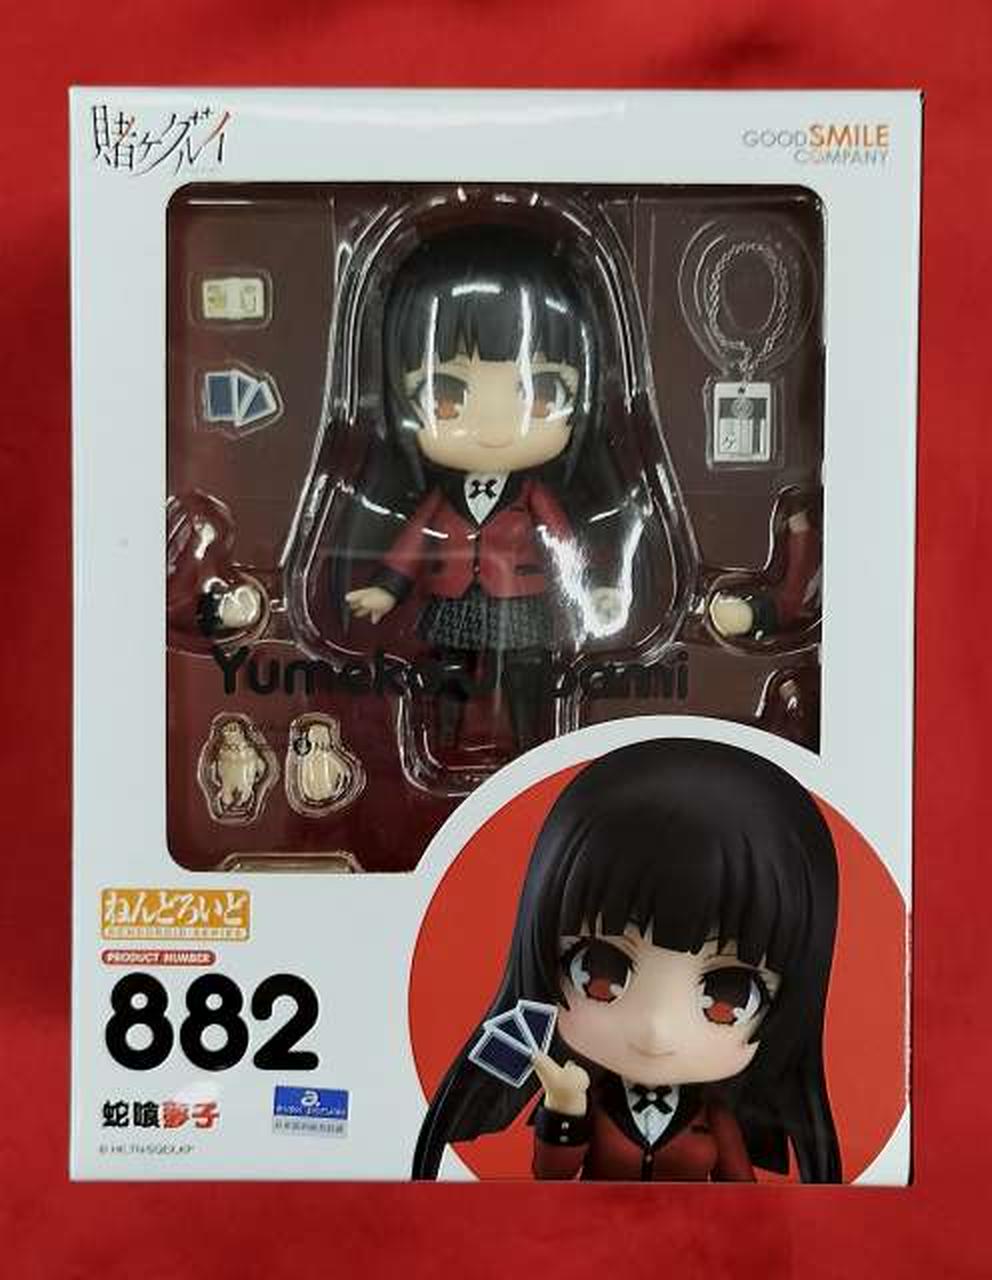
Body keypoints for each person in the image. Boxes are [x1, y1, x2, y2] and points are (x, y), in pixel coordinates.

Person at [412, 737, 842, 1182]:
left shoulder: (713, 1117)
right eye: (598, 971)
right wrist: (565, 1108)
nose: (656, 1029)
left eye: (727, 998)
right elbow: (551, 1175)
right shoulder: (593, 1101)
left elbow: (743, 1195)